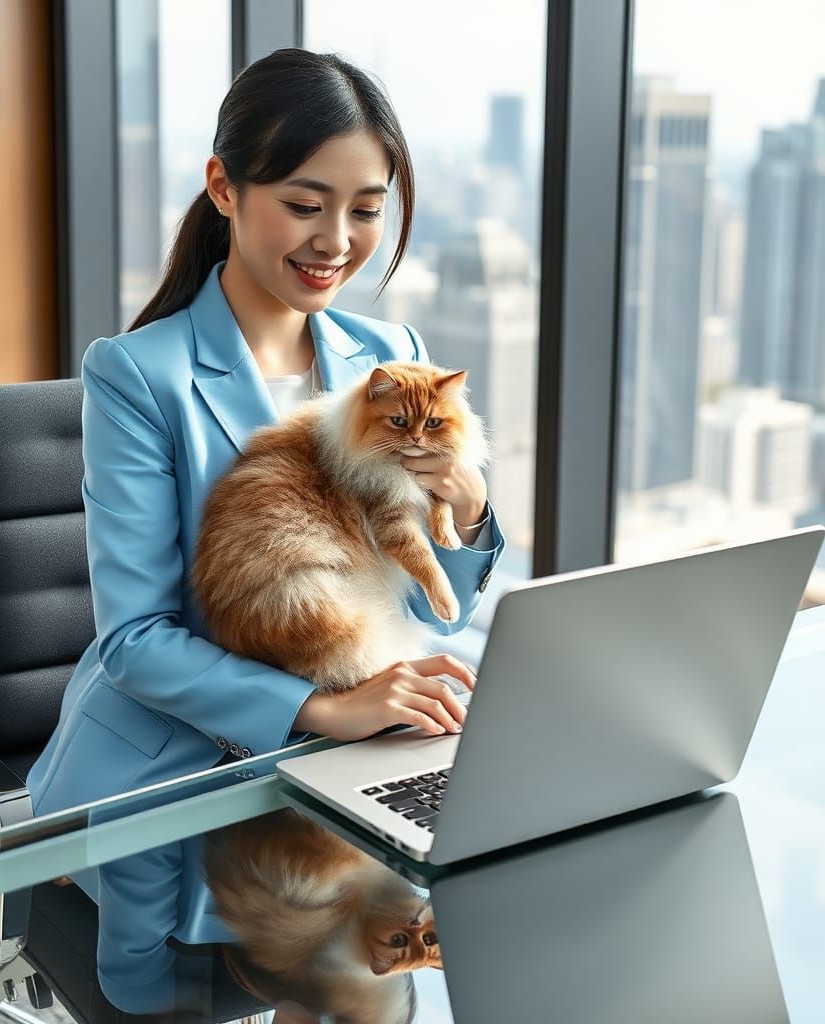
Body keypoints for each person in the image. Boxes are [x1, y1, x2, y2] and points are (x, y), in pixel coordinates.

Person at [26, 47, 506, 1011]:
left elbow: (424, 605)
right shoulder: (139, 375)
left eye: (366, 209)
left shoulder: (392, 357)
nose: (337, 240)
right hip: (184, 773)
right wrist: (324, 709)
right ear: (224, 188)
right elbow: (135, 643)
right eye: (304, 203)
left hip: (358, 764)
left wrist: (468, 506)